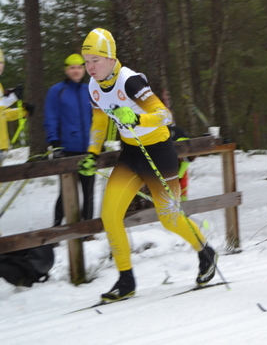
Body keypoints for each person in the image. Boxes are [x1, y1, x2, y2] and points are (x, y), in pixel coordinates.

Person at [77, 28, 217, 303]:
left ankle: (206, 251)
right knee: (110, 214)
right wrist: (92, 153)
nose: (90, 67)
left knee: (169, 216)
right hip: (131, 153)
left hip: (158, 152)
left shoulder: (130, 81)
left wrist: (137, 119)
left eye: (95, 60)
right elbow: (100, 121)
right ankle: (126, 280)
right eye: (87, 61)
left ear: (110, 58)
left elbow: (164, 115)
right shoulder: (93, 86)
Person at [45, 54, 95, 226]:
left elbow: (98, 118)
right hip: (67, 149)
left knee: (88, 190)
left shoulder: (89, 90)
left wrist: (98, 142)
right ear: (66, 70)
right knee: (66, 191)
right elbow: (51, 117)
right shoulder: (57, 91)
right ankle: (57, 226)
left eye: (79, 67)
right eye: (72, 68)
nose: (76, 71)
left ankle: (88, 229)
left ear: (84, 69)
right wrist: (55, 144)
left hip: (89, 149)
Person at [0, 47, 33, 166]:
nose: (0, 65)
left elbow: (2, 114)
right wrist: (12, 98)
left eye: (1, 62)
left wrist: (23, 111)